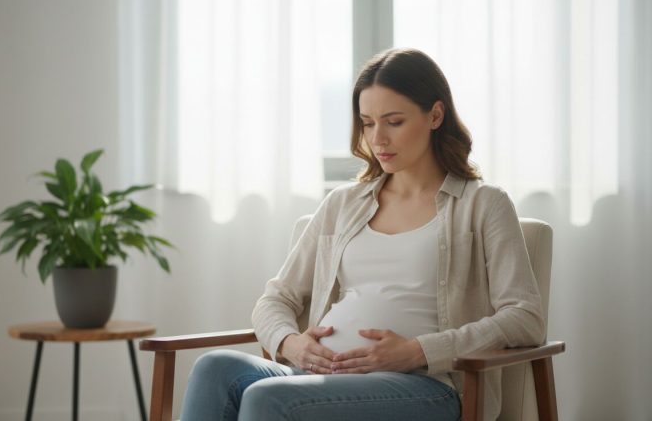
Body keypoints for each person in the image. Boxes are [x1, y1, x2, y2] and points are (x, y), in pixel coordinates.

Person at [180, 48, 545, 421]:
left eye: (394, 122)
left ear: (435, 115)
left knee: (270, 398)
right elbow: (275, 299)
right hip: (316, 378)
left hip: (427, 386)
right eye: (368, 123)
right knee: (215, 367)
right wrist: (292, 344)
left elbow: (525, 317)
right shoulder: (343, 204)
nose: (378, 138)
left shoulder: (483, 204)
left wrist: (419, 351)